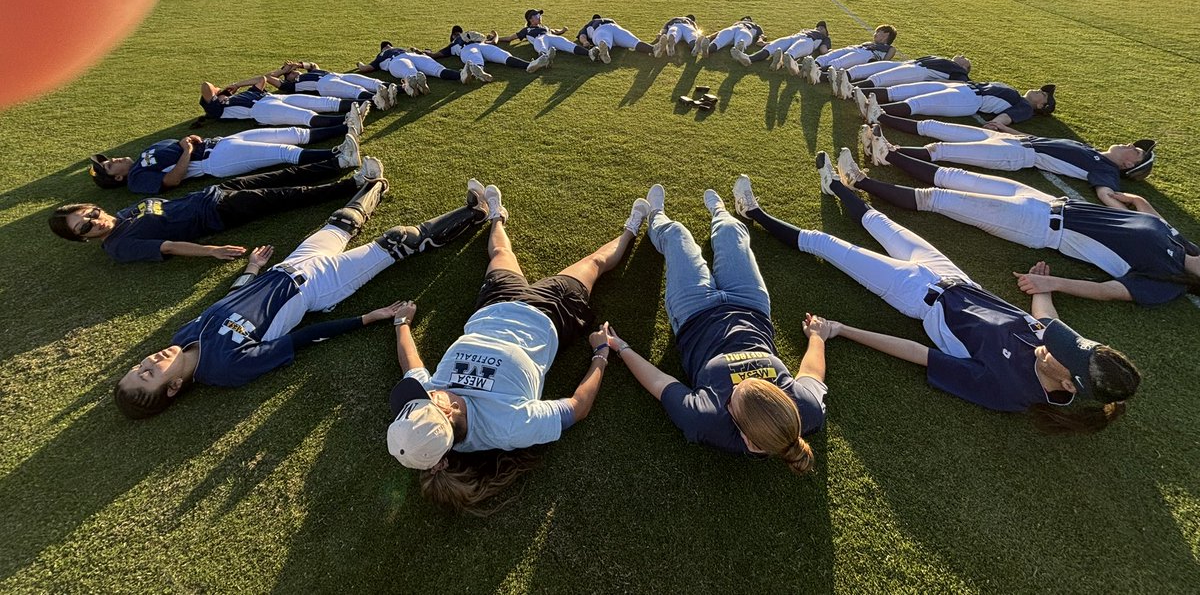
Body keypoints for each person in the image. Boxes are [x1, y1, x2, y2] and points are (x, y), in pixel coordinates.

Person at [733, 168, 1139, 430]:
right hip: (955, 277)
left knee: (827, 244)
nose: (1054, 342)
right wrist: (1043, 287)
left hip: (915, 295)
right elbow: (1045, 321)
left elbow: (918, 353)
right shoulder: (1060, 349)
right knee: (881, 222)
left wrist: (841, 329)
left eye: (1060, 351)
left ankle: (752, 213)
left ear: (1068, 384)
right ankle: (836, 184)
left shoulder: (1006, 390)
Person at [113, 171, 488, 418]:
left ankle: (376, 185)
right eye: (148, 374)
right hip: (318, 286)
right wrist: (368, 318)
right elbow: (303, 338)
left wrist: (252, 268)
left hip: (285, 267)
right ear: (173, 387)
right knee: (398, 239)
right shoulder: (226, 368)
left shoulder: (182, 336)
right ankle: (477, 213)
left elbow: (228, 302)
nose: (149, 361)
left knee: (342, 222)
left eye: (138, 366)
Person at [386, 182, 647, 512]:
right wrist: (601, 354)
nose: (424, 393)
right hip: (551, 313)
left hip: (493, 305)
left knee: (500, 254)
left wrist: (401, 324)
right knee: (594, 263)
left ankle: (497, 216)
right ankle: (632, 228)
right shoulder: (509, 426)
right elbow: (577, 408)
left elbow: (412, 367)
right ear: (447, 412)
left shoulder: (426, 415)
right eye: (427, 400)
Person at [600, 184, 828, 471]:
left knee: (677, 234)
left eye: (732, 398)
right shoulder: (806, 411)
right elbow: (811, 373)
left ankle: (655, 215)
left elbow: (659, 382)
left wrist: (621, 347)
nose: (740, 383)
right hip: (751, 306)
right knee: (732, 231)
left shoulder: (706, 421)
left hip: (693, 313)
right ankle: (721, 212)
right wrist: (817, 337)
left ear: (746, 439)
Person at [826, 146, 1200, 306]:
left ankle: (857, 181)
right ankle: (886, 155)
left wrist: (1053, 284)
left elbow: (1109, 291)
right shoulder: (1182, 244)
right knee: (959, 177)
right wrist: (1125, 199)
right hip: (1051, 201)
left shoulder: (1166, 284)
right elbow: (1146, 211)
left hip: (1040, 227)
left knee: (937, 200)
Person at [49, 151, 375, 264]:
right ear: (82, 238)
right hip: (216, 213)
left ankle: (338, 163)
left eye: (91, 213)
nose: (95, 221)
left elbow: (165, 206)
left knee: (281, 175)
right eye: (85, 226)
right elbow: (168, 246)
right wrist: (212, 251)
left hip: (212, 193)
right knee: (285, 195)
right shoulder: (120, 246)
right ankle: (355, 184)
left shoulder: (122, 215)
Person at [859, 118, 1156, 207]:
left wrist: (1129, 208)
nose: (1132, 146)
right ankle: (885, 148)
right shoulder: (1090, 150)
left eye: (1137, 153)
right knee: (943, 138)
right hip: (1015, 142)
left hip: (1019, 156)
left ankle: (887, 153)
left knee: (945, 151)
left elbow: (1106, 193)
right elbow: (1041, 139)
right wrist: (1006, 129)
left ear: (1128, 167)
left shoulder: (1106, 170)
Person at [88, 125, 354, 195]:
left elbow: (181, 144)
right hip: (215, 161)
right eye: (110, 165)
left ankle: (346, 126)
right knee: (283, 152)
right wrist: (187, 150)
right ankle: (340, 155)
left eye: (109, 159)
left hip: (219, 142)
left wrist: (188, 140)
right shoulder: (136, 179)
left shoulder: (143, 155)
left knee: (290, 133)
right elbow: (171, 181)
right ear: (118, 177)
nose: (115, 159)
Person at [853, 79, 1056, 133]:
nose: (1039, 91)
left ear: (1041, 106)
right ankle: (856, 92)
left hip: (970, 100)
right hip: (964, 88)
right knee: (910, 90)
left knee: (919, 103)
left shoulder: (1025, 107)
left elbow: (1007, 117)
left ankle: (874, 112)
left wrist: (994, 125)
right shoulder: (1016, 93)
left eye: (1043, 95)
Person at [197, 78, 367, 132]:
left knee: (322, 102)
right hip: (261, 110)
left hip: (272, 98)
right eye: (217, 88)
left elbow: (261, 79)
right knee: (305, 116)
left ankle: (369, 101)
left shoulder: (241, 95)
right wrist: (219, 93)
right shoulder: (217, 109)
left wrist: (237, 85)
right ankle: (349, 121)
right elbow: (206, 85)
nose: (218, 87)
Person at [424, 25, 551, 80]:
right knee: (476, 58)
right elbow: (436, 55)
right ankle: (481, 73)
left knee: (504, 55)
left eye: (459, 32)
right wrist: (426, 52)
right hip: (467, 50)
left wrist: (495, 34)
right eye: (455, 33)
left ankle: (530, 65)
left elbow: (493, 42)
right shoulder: (452, 45)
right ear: (452, 37)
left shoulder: (473, 37)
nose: (457, 34)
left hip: (482, 46)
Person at [268, 60, 399, 107]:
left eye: (294, 70)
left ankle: (402, 88)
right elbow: (267, 78)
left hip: (335, 75)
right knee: (355, 89)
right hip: (324, 85)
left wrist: (298, 64)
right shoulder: (292, 85)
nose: (294, 71)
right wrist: (282, 71)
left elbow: (312, 65)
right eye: (290, 72)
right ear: (287, 79)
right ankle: (380, 100)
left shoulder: (310, 72)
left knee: (371, 82)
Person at [834, 54, 971, 98]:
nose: (962, 55)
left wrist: (936, 81)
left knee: (880, 78)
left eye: (965, 58)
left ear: (965, 67)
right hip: (909, 64)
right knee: (871, 69)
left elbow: (961, 83)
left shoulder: (960, 71)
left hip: (920, 71)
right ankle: (838, 79)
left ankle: (850, 90)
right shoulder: (946, 61)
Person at [800, 24, 897, 83]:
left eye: (878, 32)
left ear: (886, 34)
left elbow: (883, 63)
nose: (875, 34)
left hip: (867, 54)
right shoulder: (869, 42)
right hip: (855, 48)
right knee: (828, 56)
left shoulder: (890, 48)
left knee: (839, 62)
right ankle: (807, 67)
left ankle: (815, 72)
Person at [355, 41, 458, 89]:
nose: (387, 47)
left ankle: (460, 75)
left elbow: (365, 68)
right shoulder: (380, 57)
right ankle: (418, 86)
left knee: (438, 69)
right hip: (397, 60)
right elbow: (366, 68)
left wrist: (359, 64)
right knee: (412, 73)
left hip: (406, 56)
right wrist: (360, 64)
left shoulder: (382, 55)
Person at [490, 8, 590, 59]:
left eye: (539, 15)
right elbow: (510, 38)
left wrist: (562, 30)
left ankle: (590, 53)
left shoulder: (544, 27)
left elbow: (554, 31)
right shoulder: (527, 30)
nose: (540, 17)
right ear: (530, 19)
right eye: (537, 15)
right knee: (540, 42)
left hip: (551, 38)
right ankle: (544, 58)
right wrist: (496, 38)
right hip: (539, 38)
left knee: (566, 42)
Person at [741, 22, 831, 70]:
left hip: (808, 41)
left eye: (823, 28)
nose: (820, 27)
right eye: (818, 26)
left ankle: (779, 63)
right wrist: (766, 43)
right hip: (794, 37)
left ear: (826, 33)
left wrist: (832, 52)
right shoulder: (806, 30)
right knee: (771, 47)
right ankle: (749, 58)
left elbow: (823, 50)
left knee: (790, 53)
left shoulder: (825, 38)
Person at [575, 15, 654, 63]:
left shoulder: (590, 24)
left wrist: (585, 42)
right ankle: (653, 49)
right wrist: (585, 41)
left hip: (600, 29)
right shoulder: (608, 19)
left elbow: (582, 35)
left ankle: (604, 53)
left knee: (605, 41)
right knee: (634, 42)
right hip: (615, 28)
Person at [701, 16, 766, 63]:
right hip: (740, 30)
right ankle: (738, 52)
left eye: (747, 18)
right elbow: (721, 32)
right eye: (745, 18)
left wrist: (710, 36)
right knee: (738, 40)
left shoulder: (756, 26)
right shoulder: (754, 25)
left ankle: (708, 49)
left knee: (720, 40)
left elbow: (761, 36)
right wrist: (711, 36)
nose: (746, 19)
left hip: (738, 30)